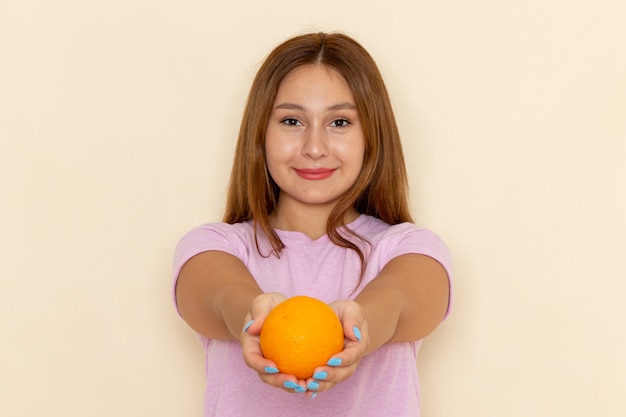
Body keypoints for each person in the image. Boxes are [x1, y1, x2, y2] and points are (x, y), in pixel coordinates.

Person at [172, 32, 453, 417]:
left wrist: (358, 326)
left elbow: (402, 302)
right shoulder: (215, 246)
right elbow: (219, 297)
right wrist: (256, 319)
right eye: (292, 120)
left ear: (371, 136)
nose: (314, 147)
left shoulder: (406, 249)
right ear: (261, 135)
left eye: (339, 122)